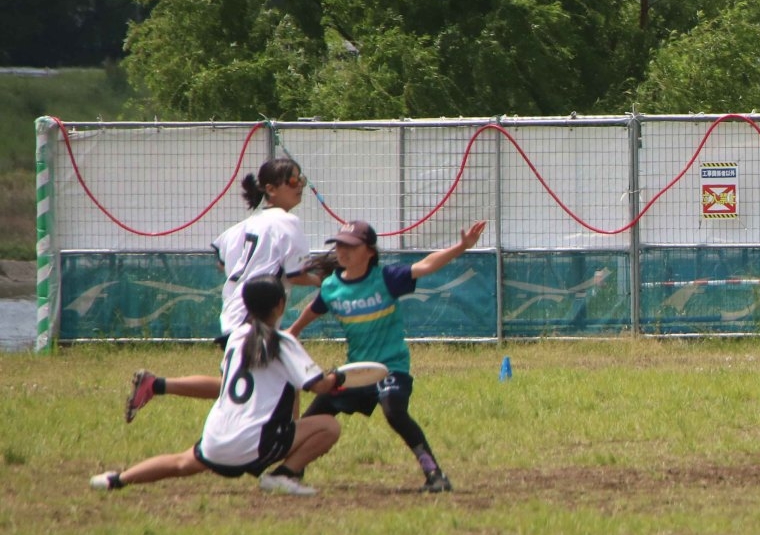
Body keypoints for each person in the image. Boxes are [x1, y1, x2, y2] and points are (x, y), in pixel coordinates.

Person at [91, 277, 344, 496]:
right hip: (255, 445)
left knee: (180, 463)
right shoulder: (283, 342)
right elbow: (320, 386)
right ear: (281, 305)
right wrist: (338, 378)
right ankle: (283, 475)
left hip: (216, 441)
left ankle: (116, 480)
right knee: (328, 426)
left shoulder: (235, 337)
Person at [290, 218, 487, 492]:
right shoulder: (331, 287)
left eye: (351, 246)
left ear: (370, 251)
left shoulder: (386, 278)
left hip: (391, 367)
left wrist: (461, 247)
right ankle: (291, 470)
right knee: (313, 417)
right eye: (339, 245)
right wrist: (293, 331)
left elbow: (426, 266)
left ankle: (435, 475)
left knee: (394, 411)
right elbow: (314, 309)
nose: (343, 251)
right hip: (356, 371)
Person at [125, 156, 319, 421]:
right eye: (293, 181)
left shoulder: (245, 225)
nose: (300, 186)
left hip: (235, 312)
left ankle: (156, 385)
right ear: (270, 189)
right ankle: (288, 445)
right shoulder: (287, 222)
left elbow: (222, 262)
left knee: (242, 383)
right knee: (281, 380)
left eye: (302, 180)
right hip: (254, 317)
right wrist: (326, 280)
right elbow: (297, 274)